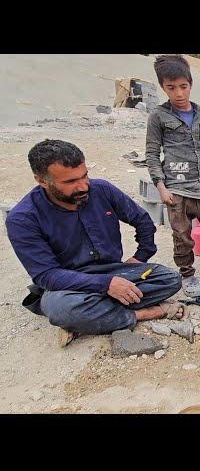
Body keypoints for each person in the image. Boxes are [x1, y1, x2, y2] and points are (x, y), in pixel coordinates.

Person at [5, 140, 185, 347]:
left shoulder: (101, 190)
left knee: (170, 279)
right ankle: (140, 314)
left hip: (114, 271)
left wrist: (140, 257)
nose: (83, 186)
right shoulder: (23, 218)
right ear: (42, 181)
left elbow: (142, 221)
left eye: (84, 175)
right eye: (71, 181)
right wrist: (106, 285)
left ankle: (95, 314)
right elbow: (47, 275)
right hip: (69, 284)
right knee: (60, 308)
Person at [145, 54, 200, 297]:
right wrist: (161, 187)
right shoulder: (158, 117)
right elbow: (151, 154)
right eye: (171, 88)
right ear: (163, 87)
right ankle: (188, 275)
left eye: (183, 86)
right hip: (176, 191)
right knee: (182, 237)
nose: (179, 93)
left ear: (191, 84)